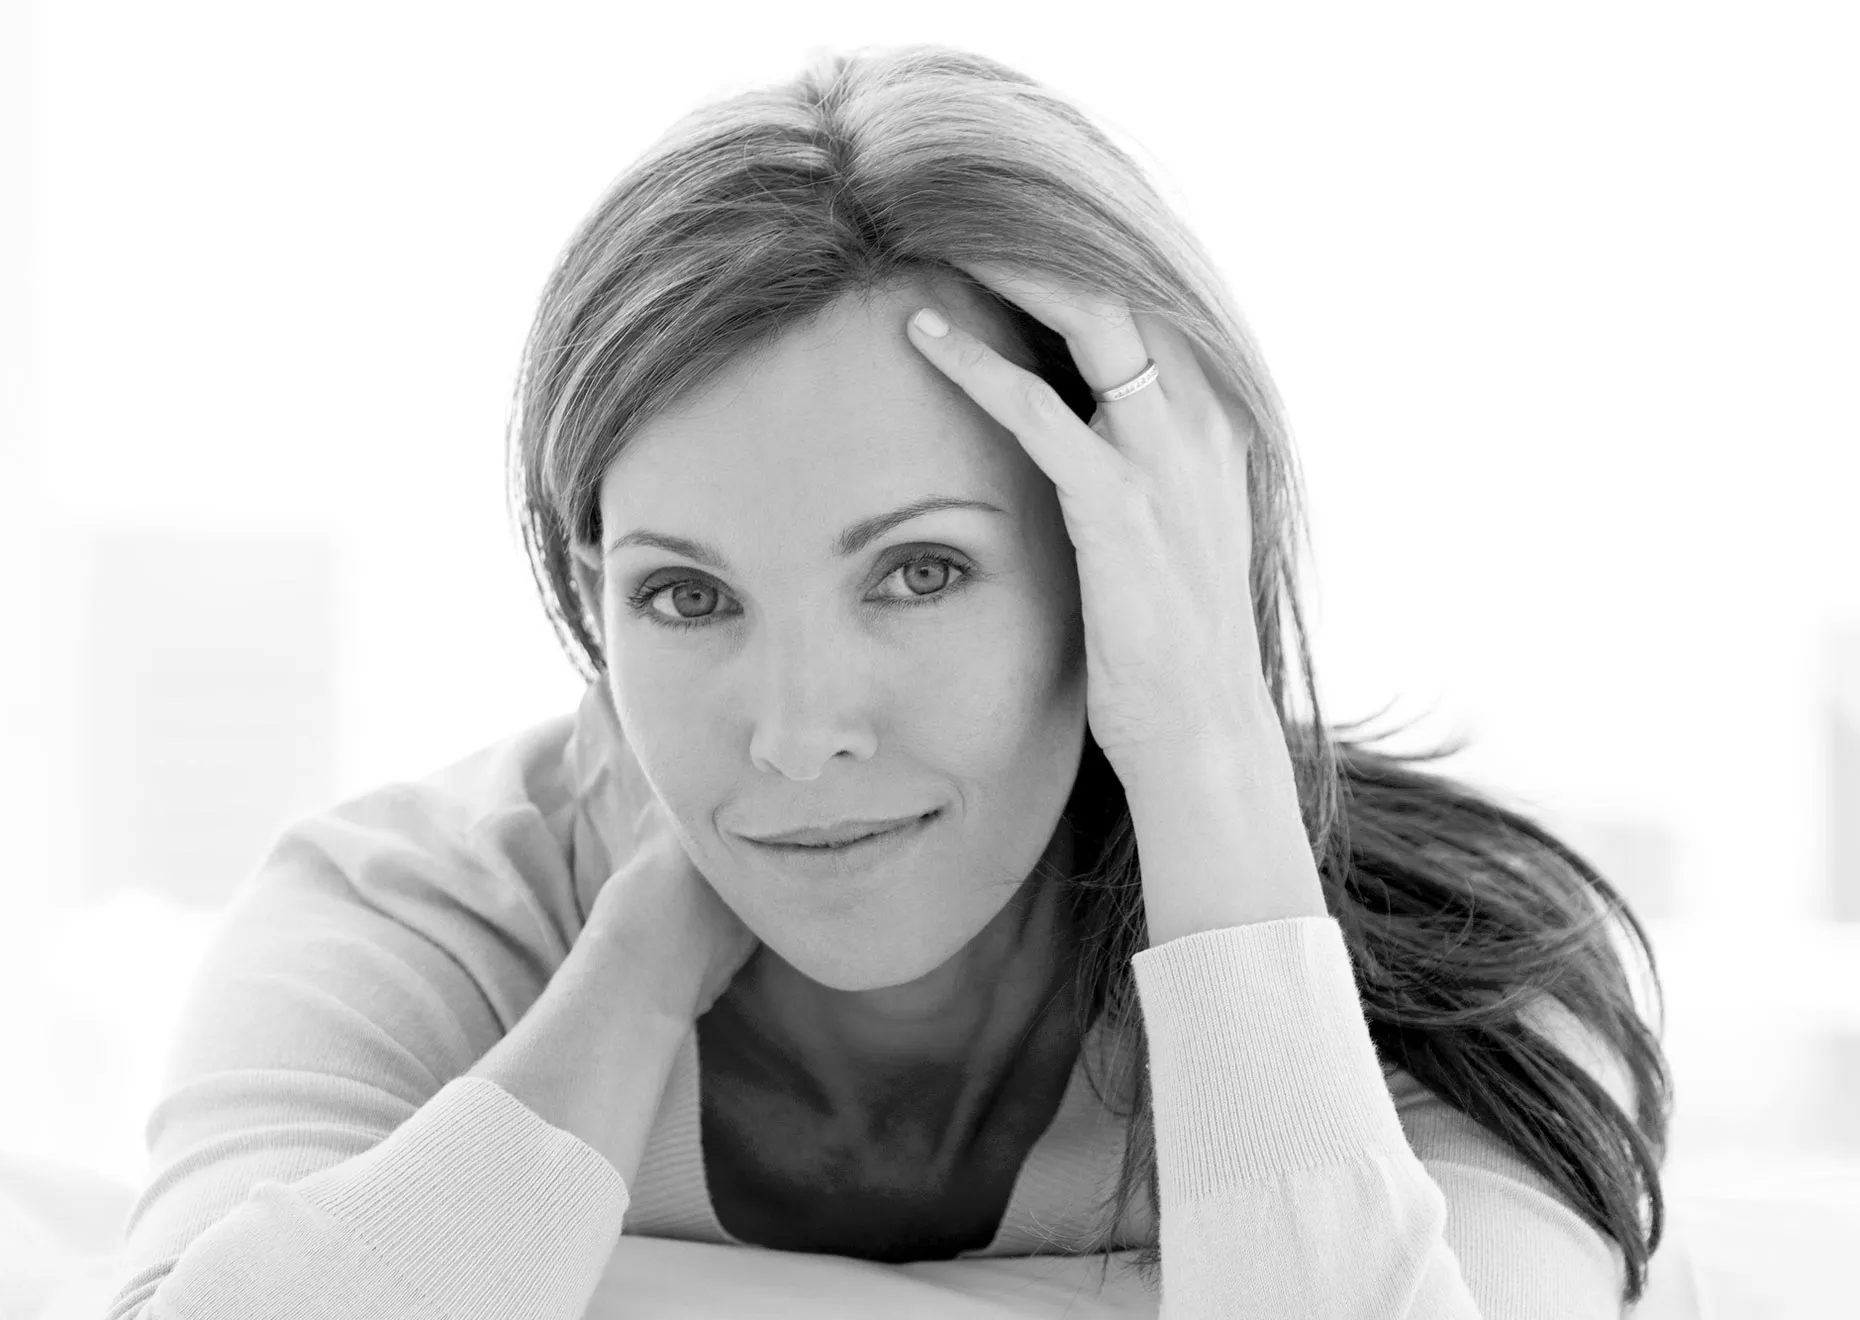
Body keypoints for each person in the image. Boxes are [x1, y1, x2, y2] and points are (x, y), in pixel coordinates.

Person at [102, 43, 1671, 1319]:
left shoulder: (1472, 977)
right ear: (594, 604)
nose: (793, 738)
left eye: (919, 572)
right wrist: (633, 974)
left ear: (1126, 554)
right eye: (686, 593)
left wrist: (1203, 737)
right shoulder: (415, 920)